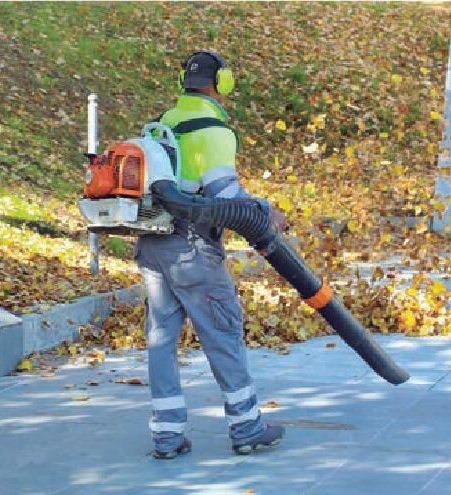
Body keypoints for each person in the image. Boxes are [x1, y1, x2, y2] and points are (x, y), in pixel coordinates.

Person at [135, 50, 288, 459]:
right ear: (223, 83)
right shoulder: (214, 130)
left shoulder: (164, 122)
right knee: (223, 332)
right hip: (193, 249)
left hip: (152, 245)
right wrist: (267, 213)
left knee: (161, 339)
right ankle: (247, 426)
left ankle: (167, 436)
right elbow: (225, 196)